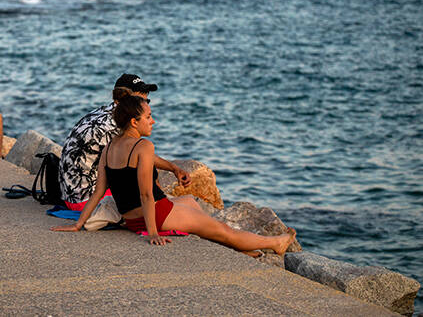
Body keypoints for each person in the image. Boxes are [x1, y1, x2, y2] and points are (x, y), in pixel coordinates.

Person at [52, 95, 297, 255]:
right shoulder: (144, 147)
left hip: (130, 216)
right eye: (148, 117)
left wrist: (78, 224)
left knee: (190, 201)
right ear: (134, 122)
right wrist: (153, 233)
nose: (153, 121)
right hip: (156, 214)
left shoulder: (110, 147)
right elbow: (147, 194)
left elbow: (98, 192)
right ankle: (275, 243)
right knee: (224, 229)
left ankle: (223, 240)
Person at [59, 74, 191, 211]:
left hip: (71, 193)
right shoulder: (113, 126)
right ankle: (160, 212)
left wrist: (174, 168)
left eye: (147, 101)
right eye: (140, 100)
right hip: (84, 199)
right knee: (144, 168)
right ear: (125, 100)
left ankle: (161, 207)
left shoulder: (104, 112)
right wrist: (173, 169)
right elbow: (141, 157)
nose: (145, 105)